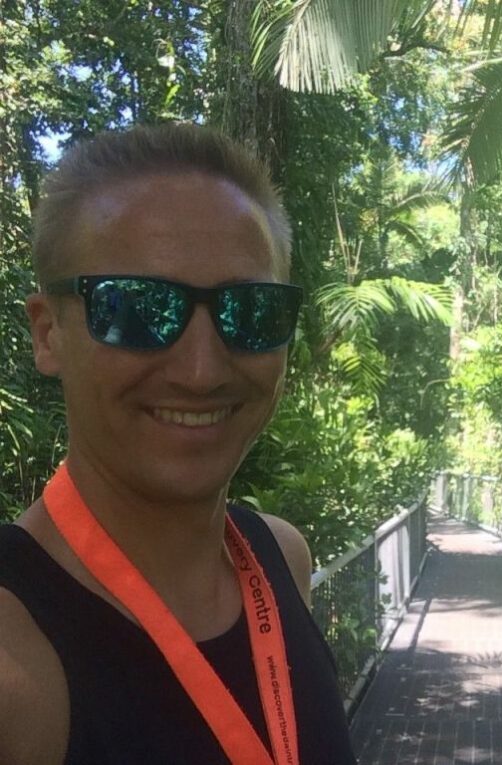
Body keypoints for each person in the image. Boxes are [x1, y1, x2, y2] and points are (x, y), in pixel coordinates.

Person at [0, 124, 359, 764]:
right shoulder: (14, 657)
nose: (201, 371)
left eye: (250, 311)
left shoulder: (282, 560)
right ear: (48, 333)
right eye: (137, 309)